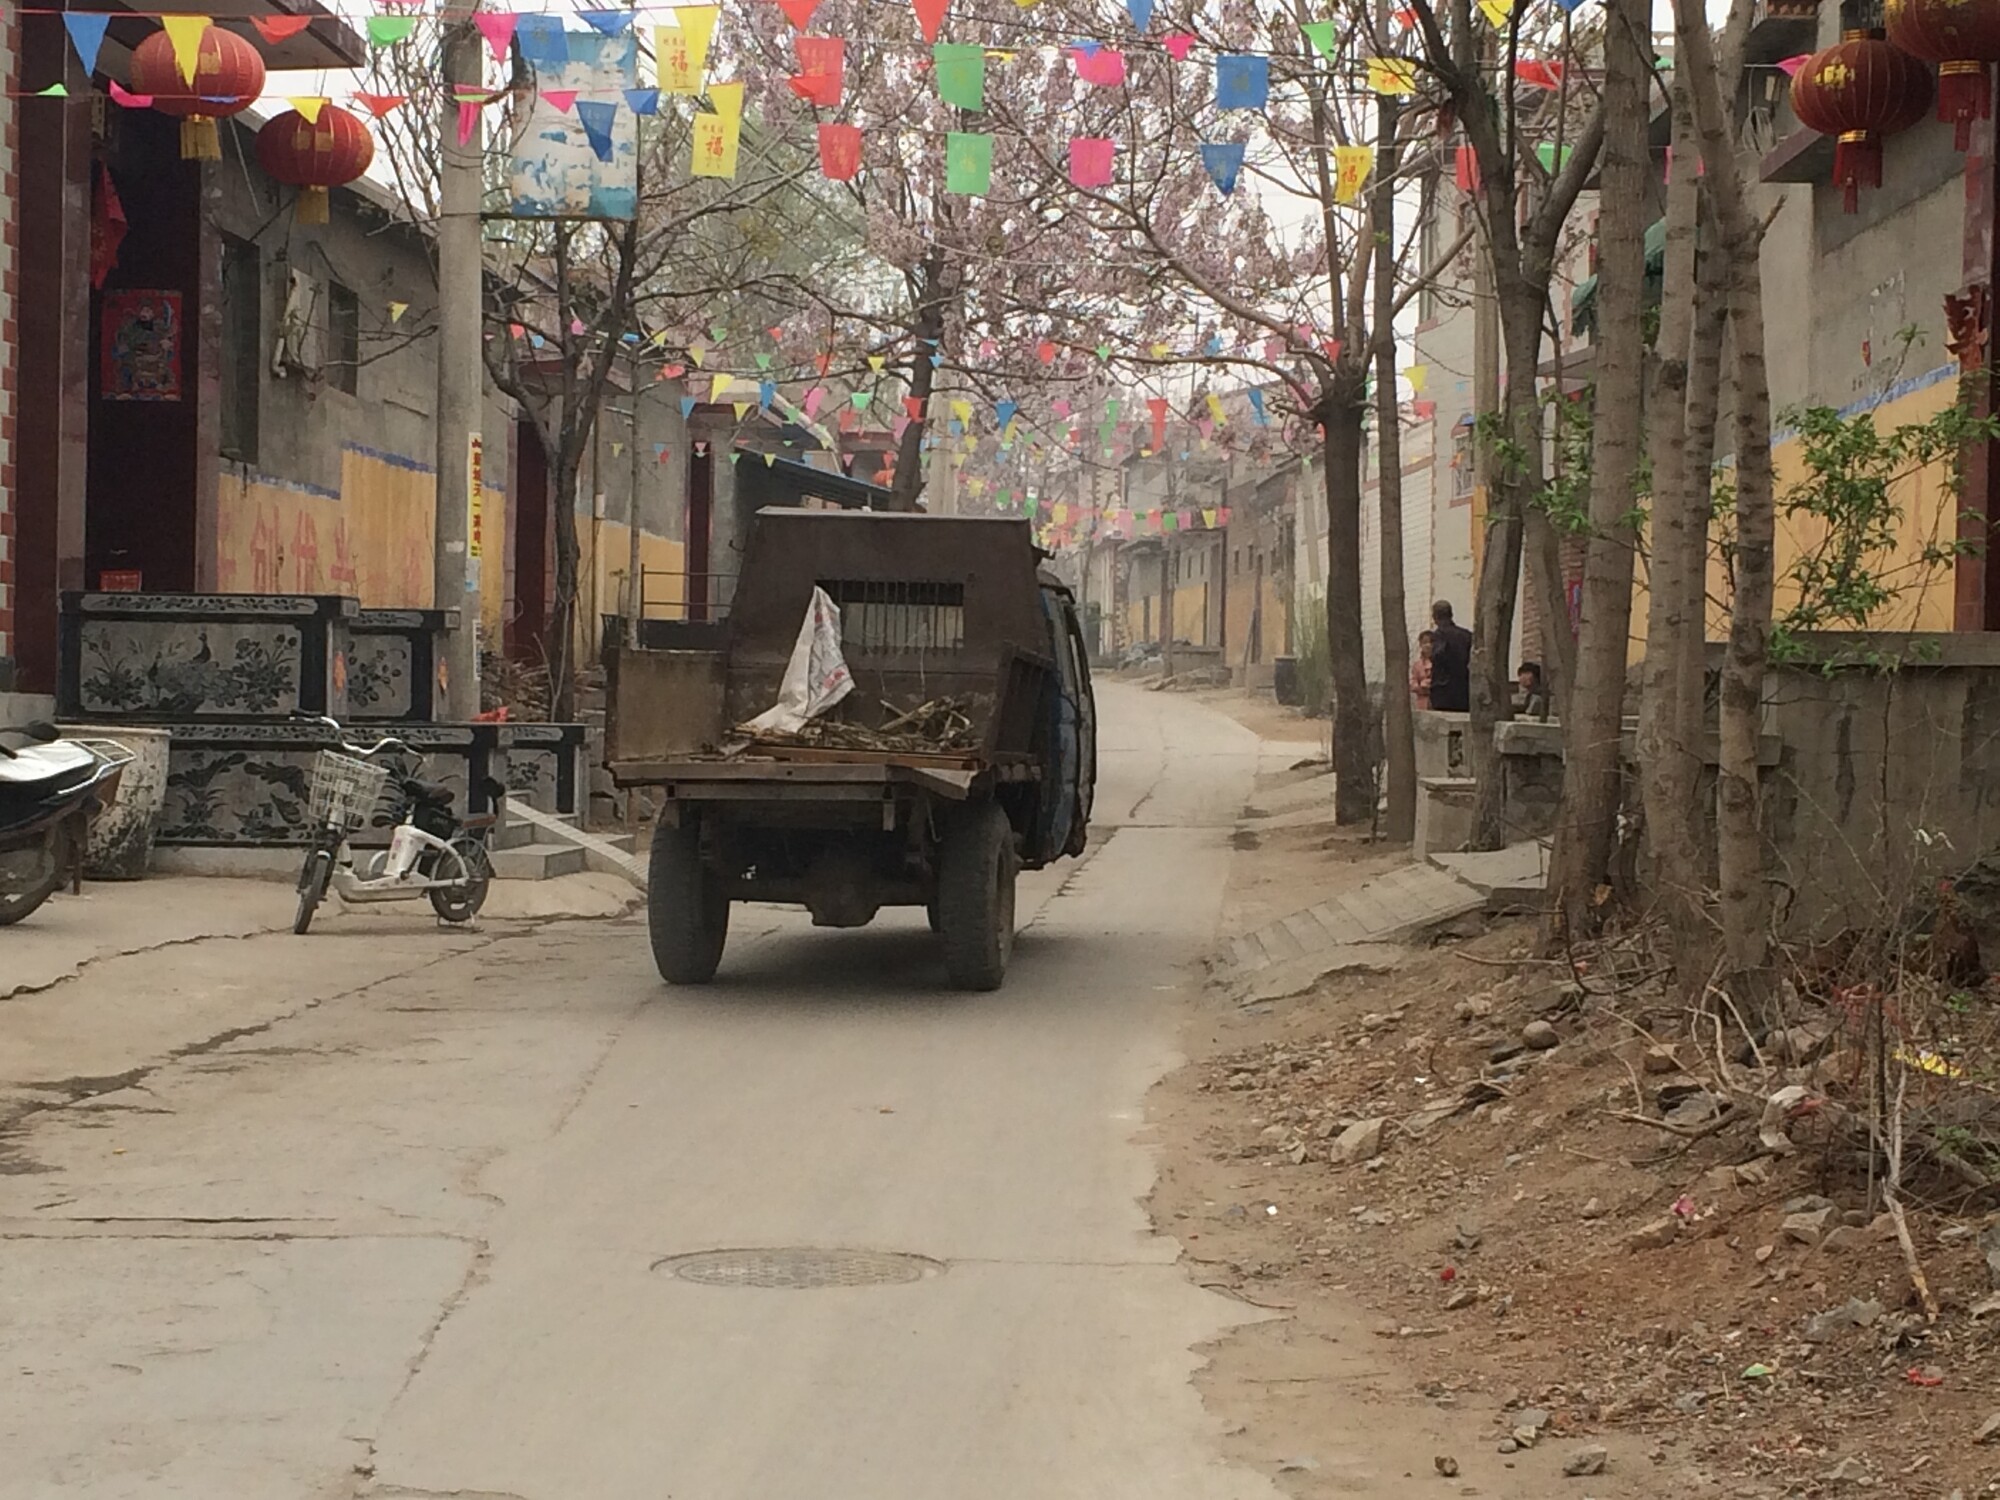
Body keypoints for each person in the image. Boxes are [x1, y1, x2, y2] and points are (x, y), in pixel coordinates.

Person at [1427, 600, 1473, 712]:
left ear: (1435, 617)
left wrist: (1430, 654)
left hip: (1442, 691)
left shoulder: (1439, 635)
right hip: (1464, 689)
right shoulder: (1466, 635)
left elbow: (1438, 656)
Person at [1410, 630, 1434, 711]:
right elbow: (1413, 683)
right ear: (1420, 644)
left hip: (1437, 701)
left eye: (1431, 642)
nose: (1428, 645)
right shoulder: (1417, 665)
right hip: (1422, 703)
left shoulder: (1440, 663)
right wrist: (1420, 687)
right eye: (1425, 642)